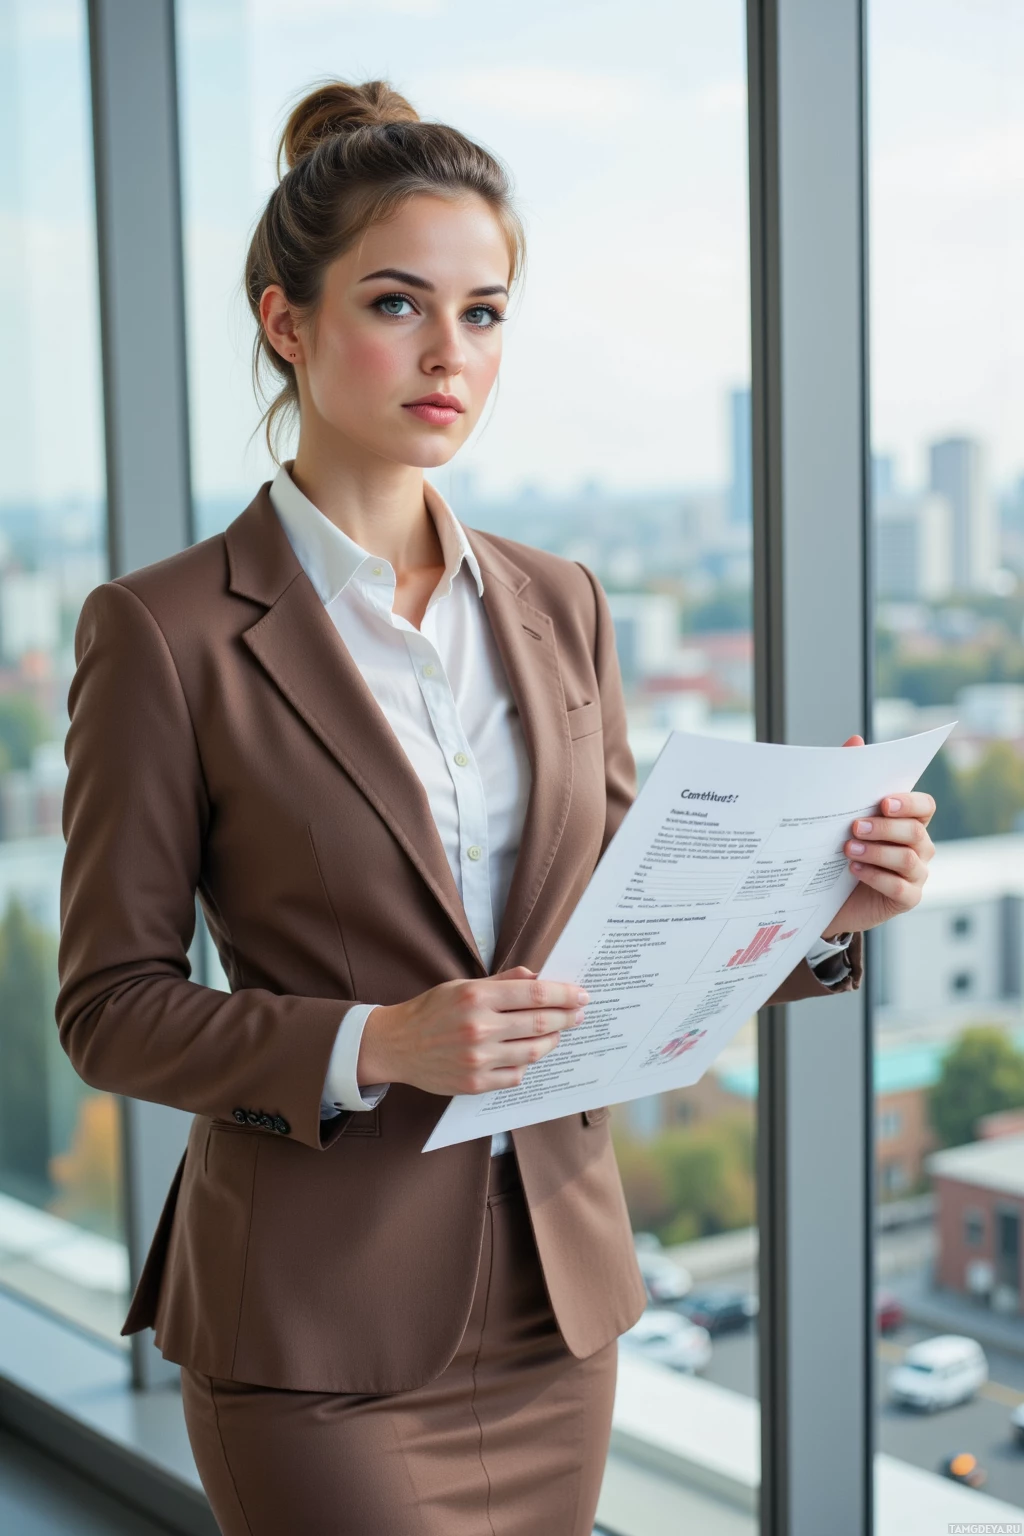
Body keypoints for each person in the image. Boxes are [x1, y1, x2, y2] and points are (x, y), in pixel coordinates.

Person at [55, 78, 936, 1536]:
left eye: (486, 312)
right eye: (399, 304)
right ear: (287, 320)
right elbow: (108, 1006)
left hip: (554, 1306)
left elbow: (621, 934)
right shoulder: (164, 632)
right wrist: (375, 1042)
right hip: (311, 1332)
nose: (449, 353)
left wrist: (820, 910)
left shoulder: (560, 602)